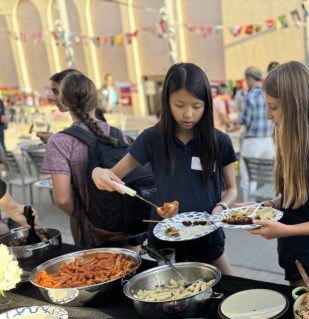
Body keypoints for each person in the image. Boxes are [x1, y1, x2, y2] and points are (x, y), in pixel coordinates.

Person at [92, 63, 237, 274]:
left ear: (207, 105)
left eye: (196, 106)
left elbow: (232, 188)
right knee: (173, 294)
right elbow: (113, 177)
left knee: (226, 288)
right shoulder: (152, 138)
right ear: (167, 101)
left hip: (207, 234)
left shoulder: (219, 141)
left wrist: (222, 207)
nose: (188, 114)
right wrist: (97, 173)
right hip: (166, 237)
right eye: (179, 105)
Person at [248, 61, 309, 288]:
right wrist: (266, 205)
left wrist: (285, 230)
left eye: (273, 107)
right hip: (291, 250)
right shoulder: (293, 144)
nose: (267, 115)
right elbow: (298, 195)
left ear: (294, 105)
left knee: (308, 318)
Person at [41, 72, 133, 248]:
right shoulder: (118, 134)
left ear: (64, 101)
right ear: (96, 101)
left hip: (93, 234)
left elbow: (62, 199)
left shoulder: (60, 141)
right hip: (125, 227)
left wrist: (87, 218)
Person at [37, 69, 106, 144]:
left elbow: (84, 148)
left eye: (56, 92)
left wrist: (56, 142)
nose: (53, 98)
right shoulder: (89, 125)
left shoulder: (96, 127)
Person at [237, 66, 274, 201]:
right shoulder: (269, 93)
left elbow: (244, 120)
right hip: (268, 141)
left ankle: (249, 208)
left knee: (247, 179)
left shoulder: (250, 96)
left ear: (249, 79)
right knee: (266, 177)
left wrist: (237, 118)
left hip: (252, 141)